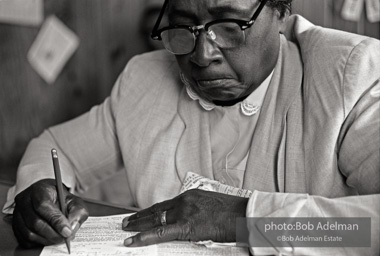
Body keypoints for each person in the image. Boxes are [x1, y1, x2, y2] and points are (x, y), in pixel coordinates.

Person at [3, 0, 380, 255]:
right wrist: (40, 190)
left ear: (280, 12)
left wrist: (245, 220)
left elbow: (369, 230)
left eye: (230, 25)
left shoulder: (348, 76)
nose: (202, 55)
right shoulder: (145, 81)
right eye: (183, 27)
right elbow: (56, 148)